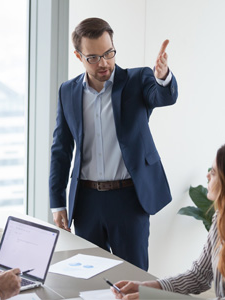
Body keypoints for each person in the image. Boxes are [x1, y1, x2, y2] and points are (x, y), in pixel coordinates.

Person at [49, 17, 178, 271]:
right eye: (93, 57)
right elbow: (60, 150)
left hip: (129, 199)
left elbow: (163, 96)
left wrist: (163, 77)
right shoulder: (68, 91)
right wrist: (57, 203)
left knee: (134, 280)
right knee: (87, 277)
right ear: (79, 56)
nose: (104, 62)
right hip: (86, 202)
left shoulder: (137, 80)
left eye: (109, 53)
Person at [112, 141, 225, 299]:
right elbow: (199, 275)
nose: (208, 175)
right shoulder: (222, 219)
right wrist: (148, 287)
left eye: (214, 172)